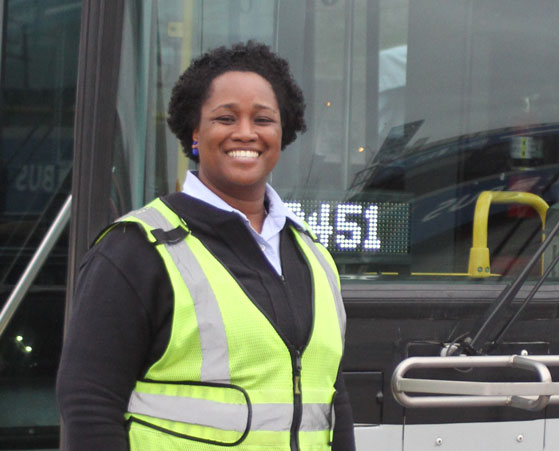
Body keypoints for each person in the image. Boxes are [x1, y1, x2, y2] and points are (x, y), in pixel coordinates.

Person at [57, 41, 355, 450]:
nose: (246, 132)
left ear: (282, 133)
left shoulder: (315, 256)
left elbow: (333, 405)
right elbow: (88, 403)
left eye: (263, 119)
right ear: (195, 133)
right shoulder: (136, 250)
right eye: (226, 117)